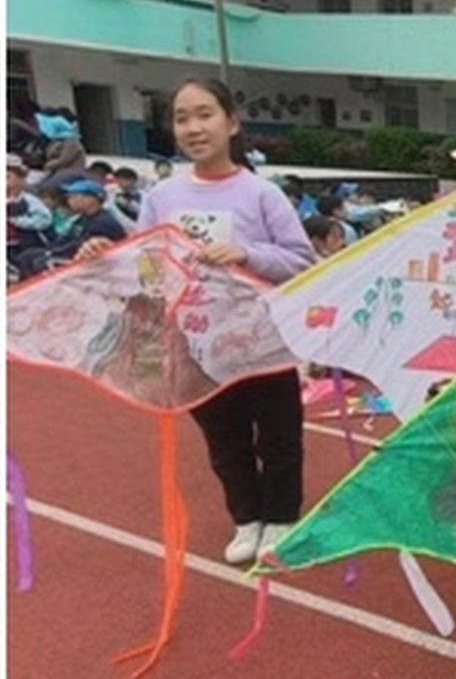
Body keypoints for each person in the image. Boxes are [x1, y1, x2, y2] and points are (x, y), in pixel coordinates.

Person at [80, 78, 316, 565]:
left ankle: (282, 518)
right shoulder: (162, 196)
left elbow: (301, 261)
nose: (193, 127)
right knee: (225, 440)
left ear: (232, 123)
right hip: (198, 345)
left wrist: (247, 253)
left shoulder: (262, 194)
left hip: (264, 343)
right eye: (182, 118)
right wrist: (105, 256)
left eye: (205, 114)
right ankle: (247, 518)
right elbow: (148, 266)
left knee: (278, 436)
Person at [12, 176, 127, 278]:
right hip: (71, 255)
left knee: (39, 262)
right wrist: (49, 250)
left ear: (91, 199)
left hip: (91, 264)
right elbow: (66, 239)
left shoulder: (103, 222)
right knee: (27, 255)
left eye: (74, 196)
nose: (69, 200)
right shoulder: (83, 218)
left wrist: (50, 254)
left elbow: (79, 246)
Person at [36, 110, 88, 192]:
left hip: (70, 173)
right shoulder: (55, 142)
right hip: (55, 173)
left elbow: (64, 160)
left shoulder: (72, 142)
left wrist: (48, 165)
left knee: (46, 188)